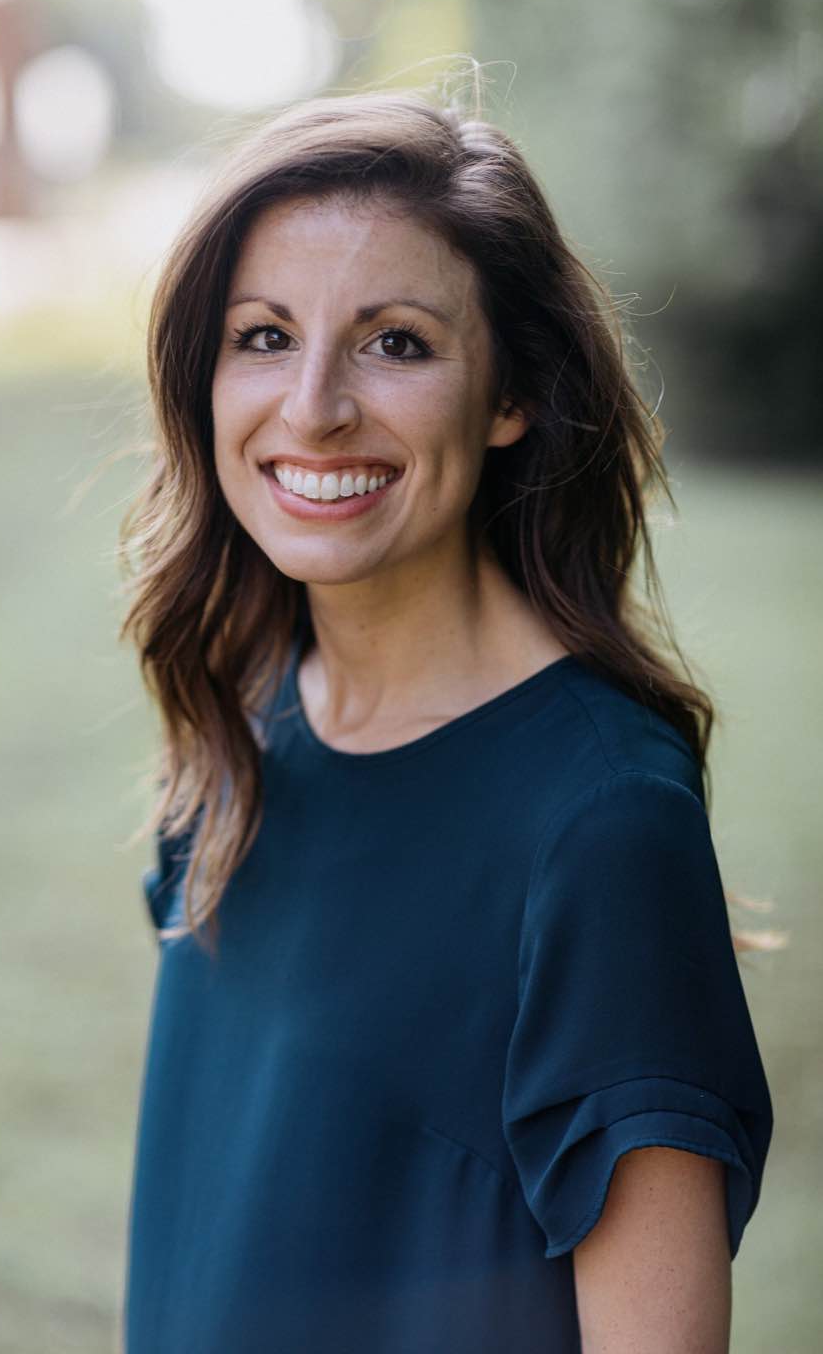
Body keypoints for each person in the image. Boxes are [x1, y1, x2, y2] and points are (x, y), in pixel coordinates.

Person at [118, 85, 774, 1353]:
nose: (311, 406)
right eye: (263, 335)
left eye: (396, 342)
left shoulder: (599, 823)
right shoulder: (244, 707)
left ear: (511, 394)